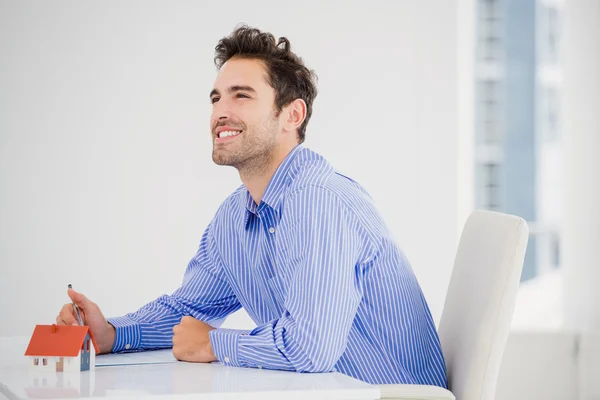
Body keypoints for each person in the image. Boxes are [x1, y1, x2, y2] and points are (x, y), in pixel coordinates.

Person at [56, 25, 447, 387]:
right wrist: (111, 332)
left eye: (241, 95)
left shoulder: (319, 201)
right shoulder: (235, 216)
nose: (220, 112)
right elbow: (189, 310)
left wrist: (214, 344)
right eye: (216, 98)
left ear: (291, 115)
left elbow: (310, 346)